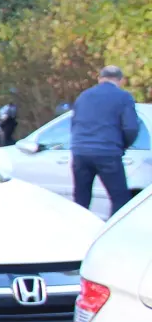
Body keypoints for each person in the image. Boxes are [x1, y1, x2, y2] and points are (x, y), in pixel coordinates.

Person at [69, 65, 139, 214]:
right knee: (119, 198)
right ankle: (115, 234)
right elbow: (131, 128)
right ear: (120, 80)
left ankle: (79, 232)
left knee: (81, 197)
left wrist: (78, 145)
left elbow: (74, 124)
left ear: (100, 79)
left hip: (80, 153)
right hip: (107, 152)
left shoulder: (83, 96)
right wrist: (123, 146)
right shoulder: (124, 97)